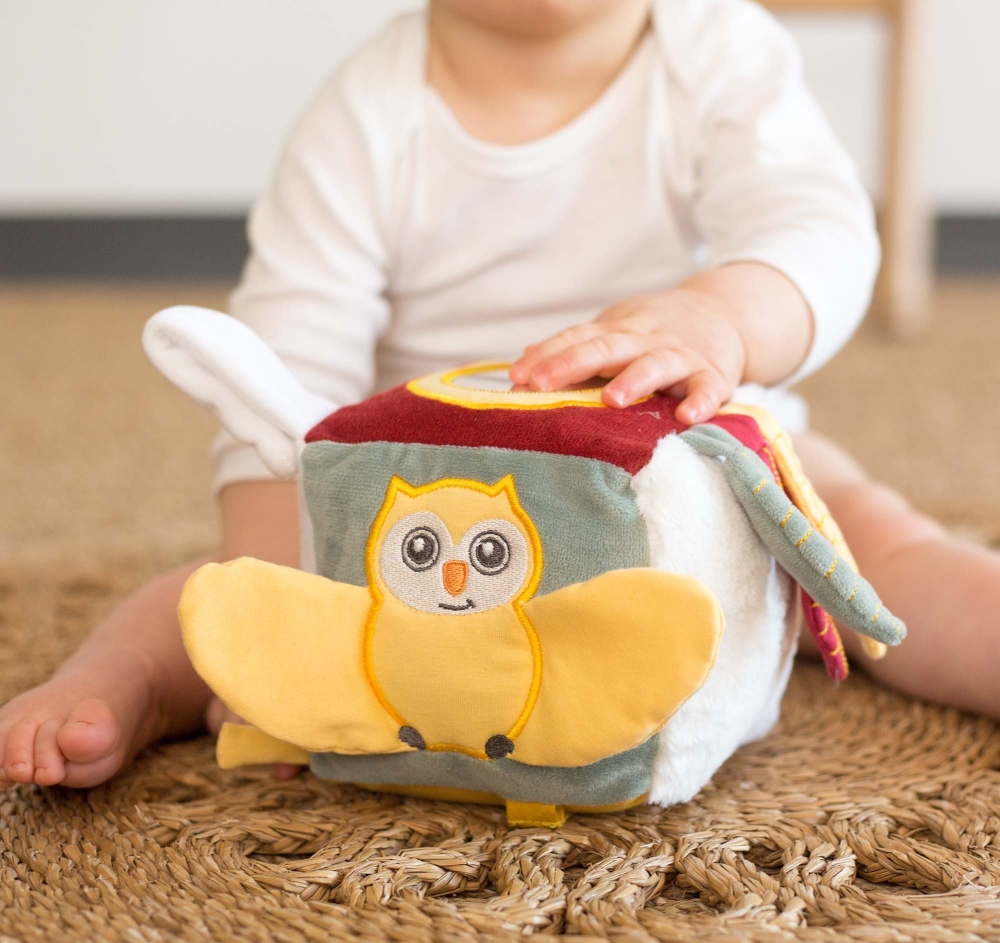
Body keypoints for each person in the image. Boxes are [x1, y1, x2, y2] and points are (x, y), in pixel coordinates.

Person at [3, 0, 997, 790]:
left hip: (701, 466)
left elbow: (816, 229)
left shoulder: (718, 49)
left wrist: (720, 319)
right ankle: (115, 684)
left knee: (876, 543)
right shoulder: (366, 112)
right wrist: (280, 615)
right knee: (210, 591)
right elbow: (280, 371)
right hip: (436, 514)